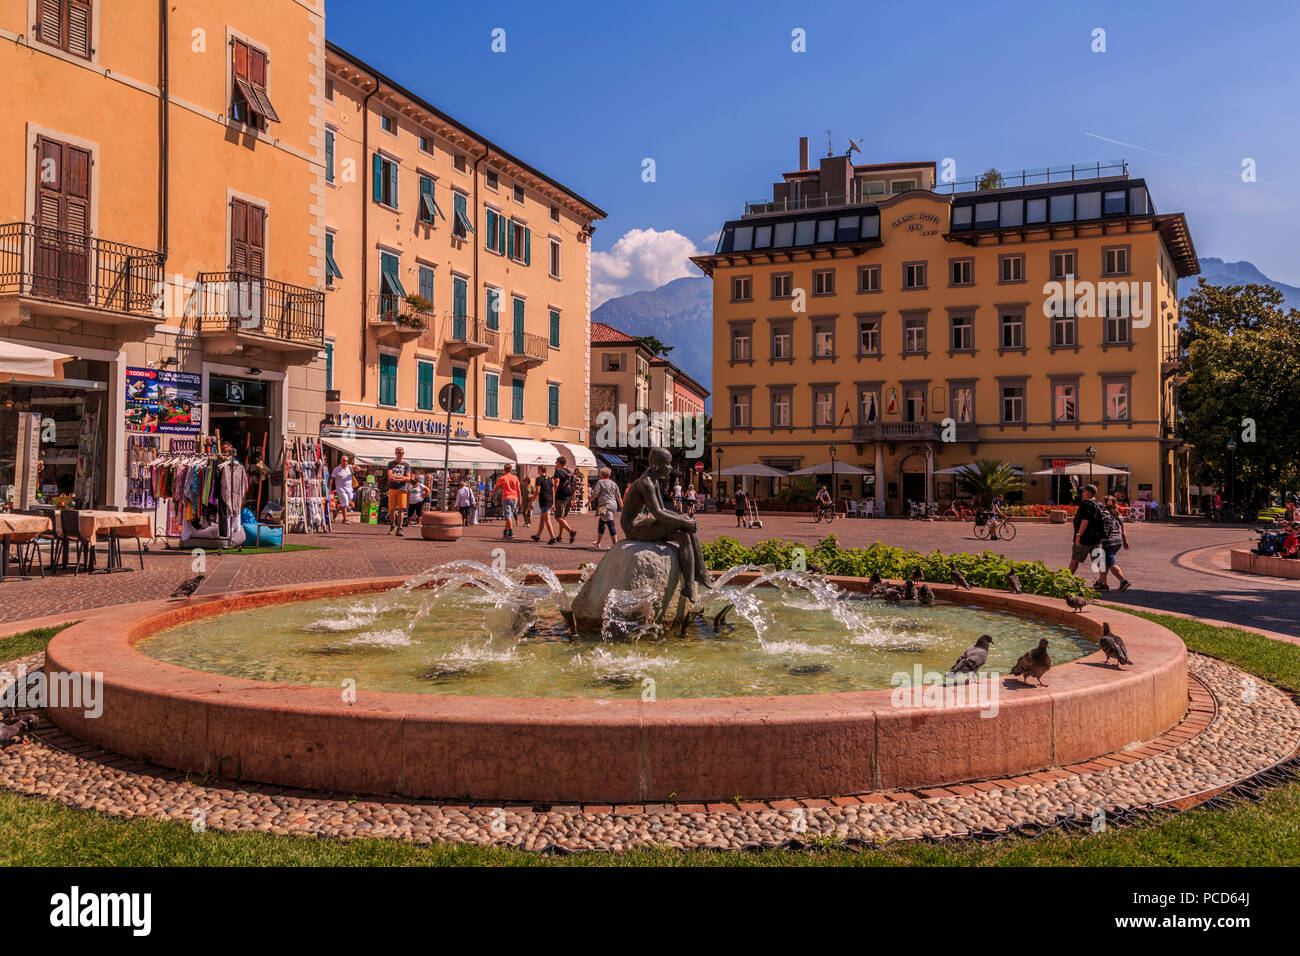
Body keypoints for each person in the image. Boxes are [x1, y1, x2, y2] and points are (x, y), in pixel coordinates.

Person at [621, 447, 712, 602]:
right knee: (685, 526)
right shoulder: (646, 482)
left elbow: (663, 509)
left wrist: (683, 519)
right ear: (658, 465)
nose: (671, 468)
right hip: (633, 527)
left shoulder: (654, 481)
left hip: (642, 521)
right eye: (668, 464)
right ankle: (697, 576)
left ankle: (694, 580)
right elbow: (658, 514)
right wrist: (683, 520)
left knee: (684, 534)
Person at [1095, 494, 1132, 591]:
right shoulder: (1118, 515)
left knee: (1110, 563)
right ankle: (1099, 581)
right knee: (1107, 562)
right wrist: (1125, 541)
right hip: (1118, 542)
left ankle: (1123, 581)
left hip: (1108, 542)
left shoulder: (1105, 514)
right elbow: (1123, 531)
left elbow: (1103, 529)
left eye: (1103, 502)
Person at [1068, 483, 1105, 575]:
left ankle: (1065, 581)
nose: (1082, 494)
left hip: (1084, 538)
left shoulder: (1086, 503)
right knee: (1099, 562)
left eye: (1083, 491)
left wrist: (1079, 535)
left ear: (1088, 492)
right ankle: (1103, 582)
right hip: (1096, 538)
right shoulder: (1100, 505)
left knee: (1074, 560)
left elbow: (1085, 520)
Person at [591, 467, 623, 549]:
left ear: (602, 474)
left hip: (604, 505)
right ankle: (598, 542)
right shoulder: (613, 483)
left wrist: (588, 502)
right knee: (601, 522)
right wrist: (622, 506)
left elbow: (595, 494)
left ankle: (615, 545)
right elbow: (618, 496)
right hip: (613, 505)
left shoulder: (600, 482)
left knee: (610, 523)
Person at [385, 447, 412, 536]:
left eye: (402, 453)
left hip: (402, 489)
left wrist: (396, 478)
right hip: (392, 488)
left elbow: (408, 478)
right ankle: (392, 527)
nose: (401, 455)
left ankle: (400, 528)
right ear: (395, 453)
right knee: (391, 509)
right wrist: (402, 478)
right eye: (399, 453)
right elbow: (389, 476)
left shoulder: (406, 465)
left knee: (401, 509)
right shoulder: (391, 464)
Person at [552, 456, 578, 544]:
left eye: (556, 462)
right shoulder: (570, 472)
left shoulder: (558, 472)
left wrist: (553, 496)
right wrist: (574, 500)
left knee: (558, 517)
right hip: (569, 498)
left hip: (561, 498)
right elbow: (574, 487)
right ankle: (560, 536)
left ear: (559, 463)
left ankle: (571, 531)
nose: (556, 464)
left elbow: (556, 485)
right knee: (563, 517)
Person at [491, 464, 521, 538]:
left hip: (506, 497)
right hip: (514, 498)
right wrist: (520, 499)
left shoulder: (502, 478)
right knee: (510, 515)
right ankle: (506, 531)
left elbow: (496, 488)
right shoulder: (515, 478)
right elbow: (518, 490)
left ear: (504, 470)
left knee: (508, 515)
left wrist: (491, 495)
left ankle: (510, 531)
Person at [531, 465, 558, 543]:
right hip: (549, 501)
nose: (537, 471)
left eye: (537, 470)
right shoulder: (550, 479)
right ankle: (538, 536)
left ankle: (552, 537)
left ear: (540, 470)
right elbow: (553, 492)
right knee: (542, 520)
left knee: (547, 519)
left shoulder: (539, 479)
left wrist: (531, 501)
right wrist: (553, 503)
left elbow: (537, 492)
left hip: (544, 501)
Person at [330, 455, 356, 523]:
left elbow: (359, 469)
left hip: (349, 488)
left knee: (348, 501)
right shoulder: (336, 469)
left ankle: (336, 511)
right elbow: (332, 478)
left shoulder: (350, 467)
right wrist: (330, 488)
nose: (345, 462)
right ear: (341, 461)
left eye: (346, 461)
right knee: (344, 500)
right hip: (340, 488)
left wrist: (355, 466)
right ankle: (345, 519)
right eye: (343, 460)